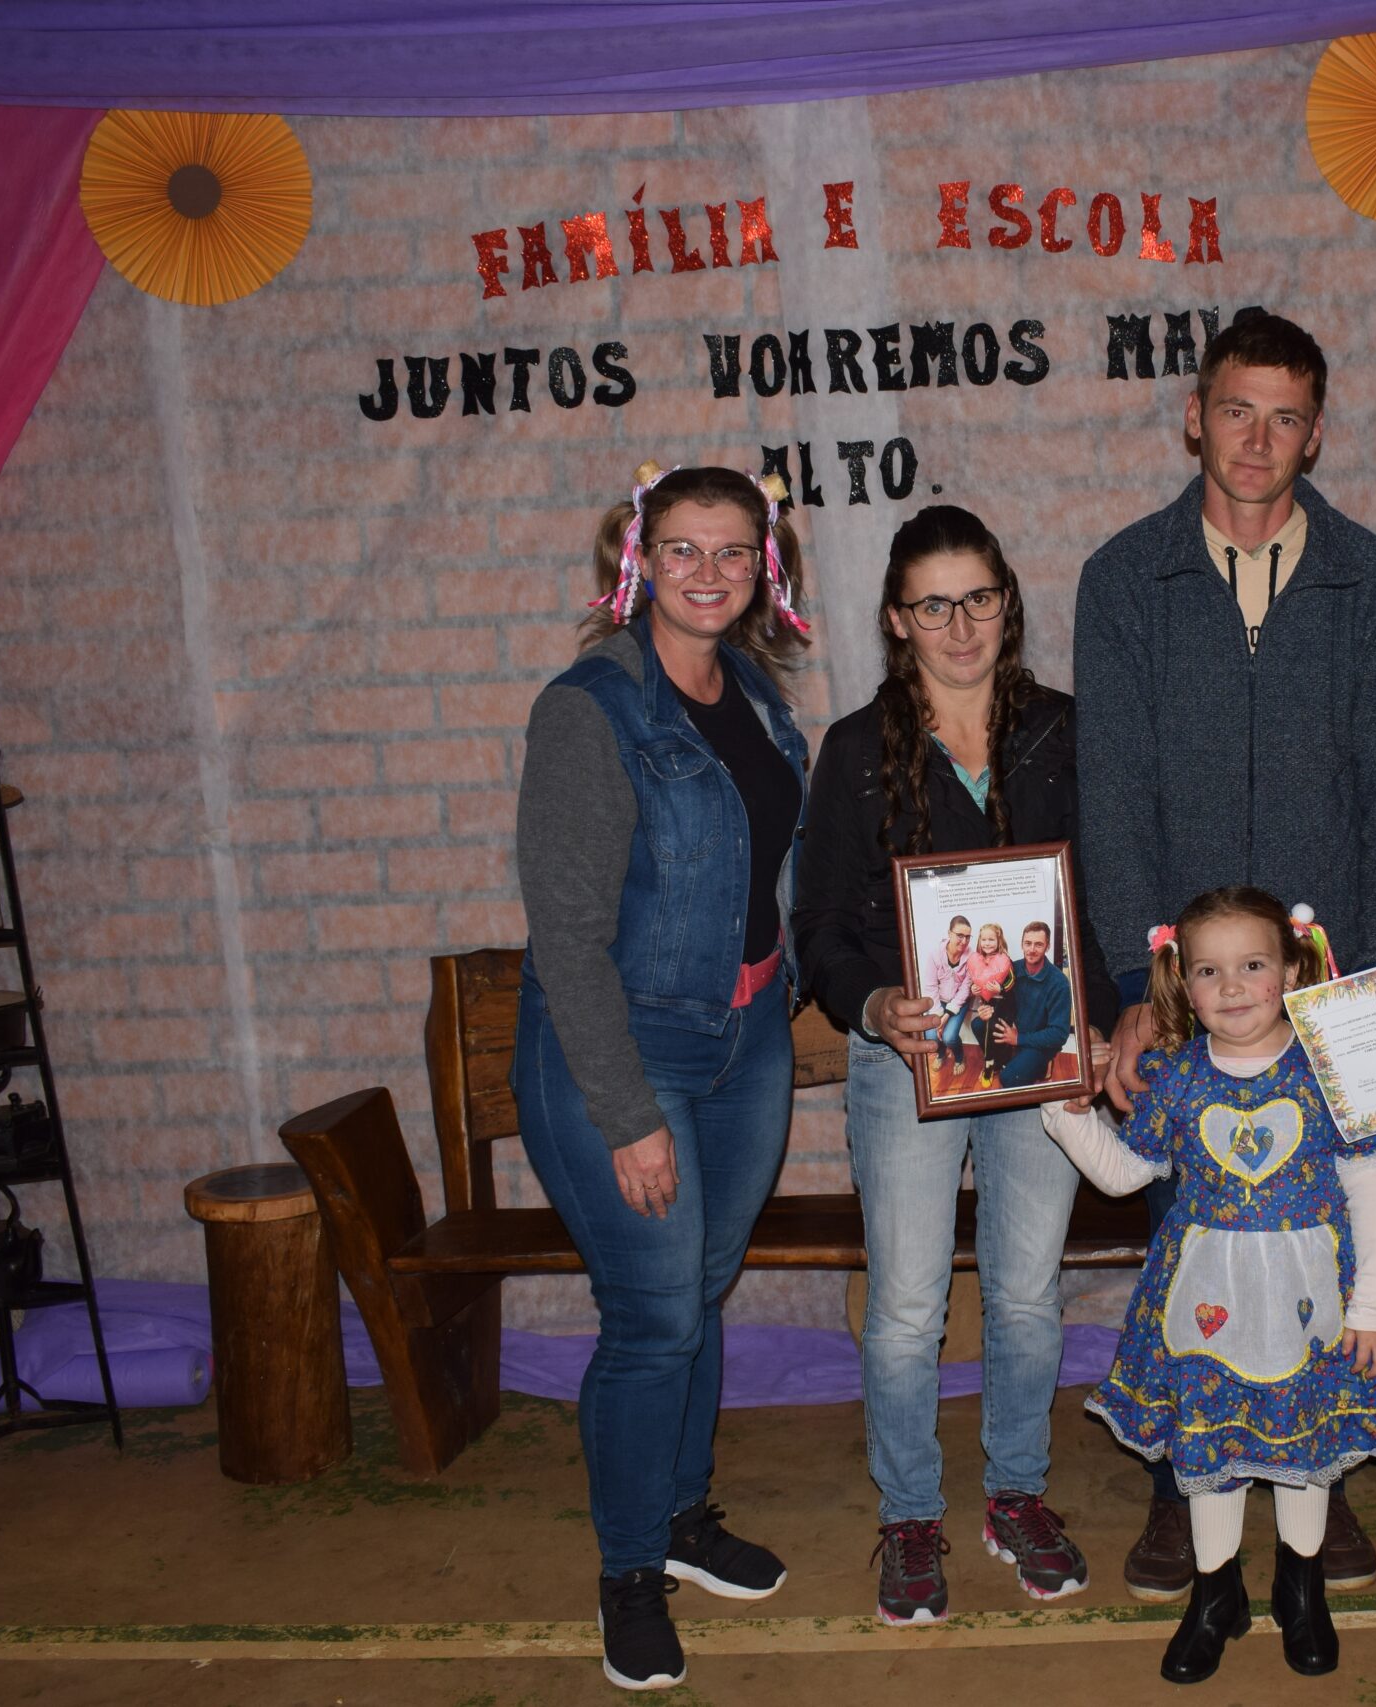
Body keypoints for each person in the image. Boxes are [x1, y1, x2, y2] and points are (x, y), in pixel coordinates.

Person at [1073, 310, 1376, 1596]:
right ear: (1194, 414)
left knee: (1331, 1228)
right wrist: (1134, 983)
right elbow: (1105, 794)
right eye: (1238, 409)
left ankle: (1314, 1483)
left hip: (1324, 988)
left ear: (1316, 431)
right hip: (1188, 979)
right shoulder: (1125, 579)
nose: (1258, 440)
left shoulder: (1373, 585)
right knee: (1196, 1229)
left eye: (1286, 416)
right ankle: (1188, 1483)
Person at [512, 461, 813, 1692]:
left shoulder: (751, 689)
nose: (708, 573)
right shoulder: (590, 708)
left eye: (733, 552)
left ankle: (683, 1521)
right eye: (682, 550)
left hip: (744, 1046)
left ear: (764, 569)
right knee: (650, 1321)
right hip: (623, 1050)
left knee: (699, 1289)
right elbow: (566, 933)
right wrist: (628, 1115)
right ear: (635, 560)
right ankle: (629, 1572)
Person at [794, 504, 1119, 1625]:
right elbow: (822, 922)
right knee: (907, 1307)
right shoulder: (854, 749)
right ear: (897, 619)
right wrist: (873, 1003)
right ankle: (911, 1514)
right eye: (933, 604)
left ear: (1007, 603)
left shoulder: (1069, 731)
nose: (960, 623)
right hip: (910, 1066)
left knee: (1029, 1296)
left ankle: (1015, 1496)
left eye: (978, 597)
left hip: (1040, 1058)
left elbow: (1109, 902)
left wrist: (1106, 1027)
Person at [1043, 886, 1376, 1684]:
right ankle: (1215, 1598)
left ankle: (1301, 1586)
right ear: (1184, 981)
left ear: (1291, 967)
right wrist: (1064, 1111)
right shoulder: (1176, 1076)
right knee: (1212, 1442)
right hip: (1203, 1301)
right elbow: (1123, 1172)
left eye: (1252, 965)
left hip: (1310, 1298)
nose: (1233, 986)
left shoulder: (1329, 1073)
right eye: (1210, 971)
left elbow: (1367, 1181)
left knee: (1303, 1442)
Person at [990, 920, 1074, 1086]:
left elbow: (1059, 1034)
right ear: (1022, 943)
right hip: (1018, 1030)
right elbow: (1005, 999)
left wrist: (1019, 1039)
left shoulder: (1060, 983)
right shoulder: (1013, 968)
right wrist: (989, 1007)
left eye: (1038, 945)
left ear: (1047, 947)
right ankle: (1010, 1057)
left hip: (1041, 1043)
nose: (1032, 950)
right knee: (979, 1024)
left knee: (1007, 1079)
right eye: (1028, 943)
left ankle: (1043, 1064)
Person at [919, 916, 974, 1089]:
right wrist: (938, 1015)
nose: (964, 941)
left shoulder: (972, 957)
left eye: (967, 937)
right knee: (931, 1036)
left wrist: (948, 1015)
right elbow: (930, 987)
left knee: (949, 1036)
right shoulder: (934, 954)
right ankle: (941, 1054)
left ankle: (959, 1057)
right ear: (949, 933)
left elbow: (965, 990)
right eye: (959, 935)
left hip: (959, 1002)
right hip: (938, 1002)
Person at [961, 922, 1015, 1085]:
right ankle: (997, 1059)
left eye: (991, 939)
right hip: (988, 1005)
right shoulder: (976, 960)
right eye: (984, 939)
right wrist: (974, 989)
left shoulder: (1005, 959)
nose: (987, 943)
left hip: (1006, 1006)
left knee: (991, 1026)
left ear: (999, 941)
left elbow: (1012, 982)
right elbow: (974, 982)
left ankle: (990, 1064)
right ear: (979, 941)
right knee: (978, 1025)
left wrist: (1001, 988)